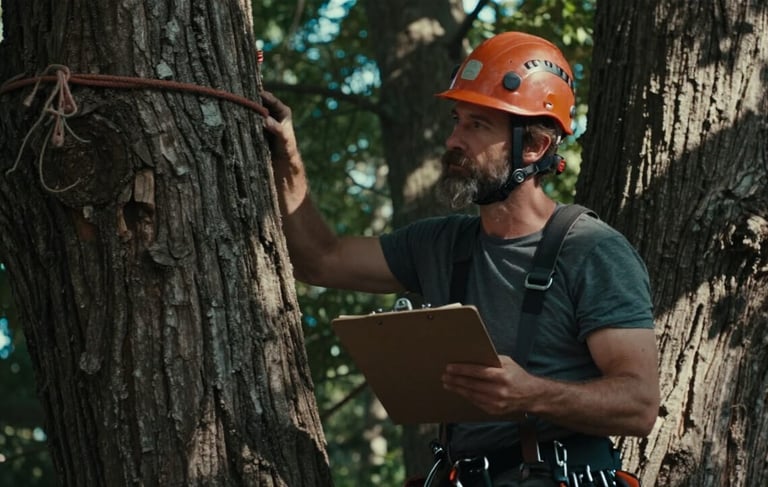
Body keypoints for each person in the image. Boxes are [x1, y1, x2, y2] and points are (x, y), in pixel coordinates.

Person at [261, 31, 660, 487]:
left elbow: (640, 403)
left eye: (477, 125)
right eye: (457, 120)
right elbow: (322, 260)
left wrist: (532, 393)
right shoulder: (440, 243)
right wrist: (286, 156)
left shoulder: (591, 251)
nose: (454, 139)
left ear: (533, 147)